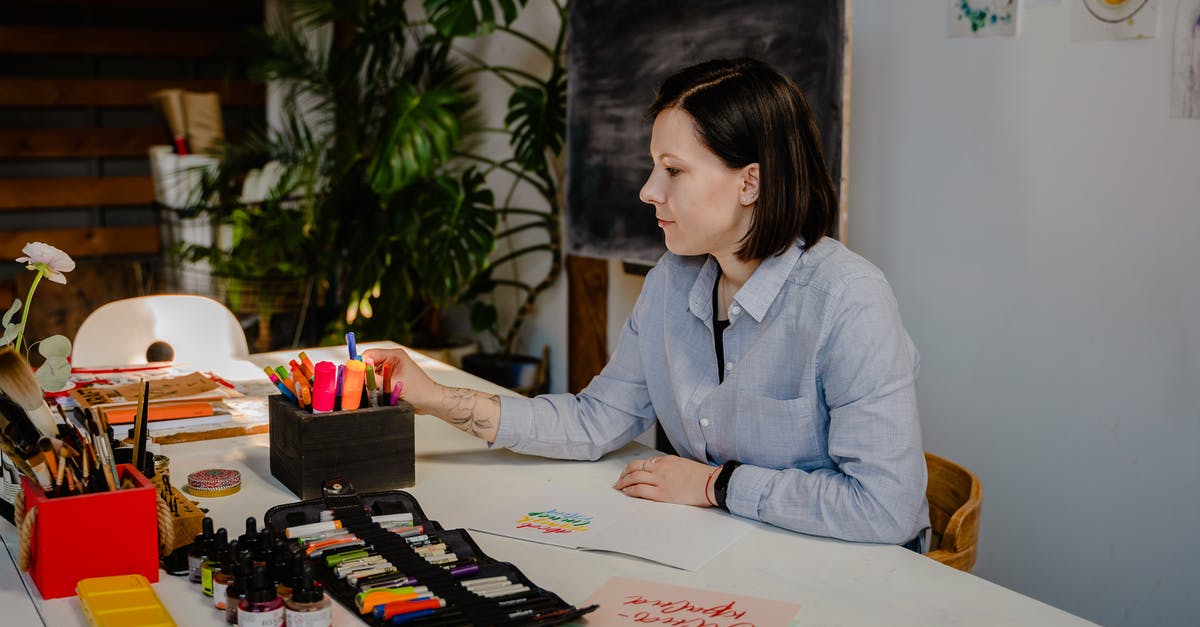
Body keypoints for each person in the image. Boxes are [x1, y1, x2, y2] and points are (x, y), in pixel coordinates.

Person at [365, 58, 928, 547]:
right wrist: (435, 397)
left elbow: (884, 507)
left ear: (749, 183)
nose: (648, 190)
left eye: (673, 170)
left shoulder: (848, 301)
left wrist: (715, 484)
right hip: (729, 552)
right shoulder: (672, 281)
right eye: (655, 166)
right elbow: (594, 422)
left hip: (844, 573)